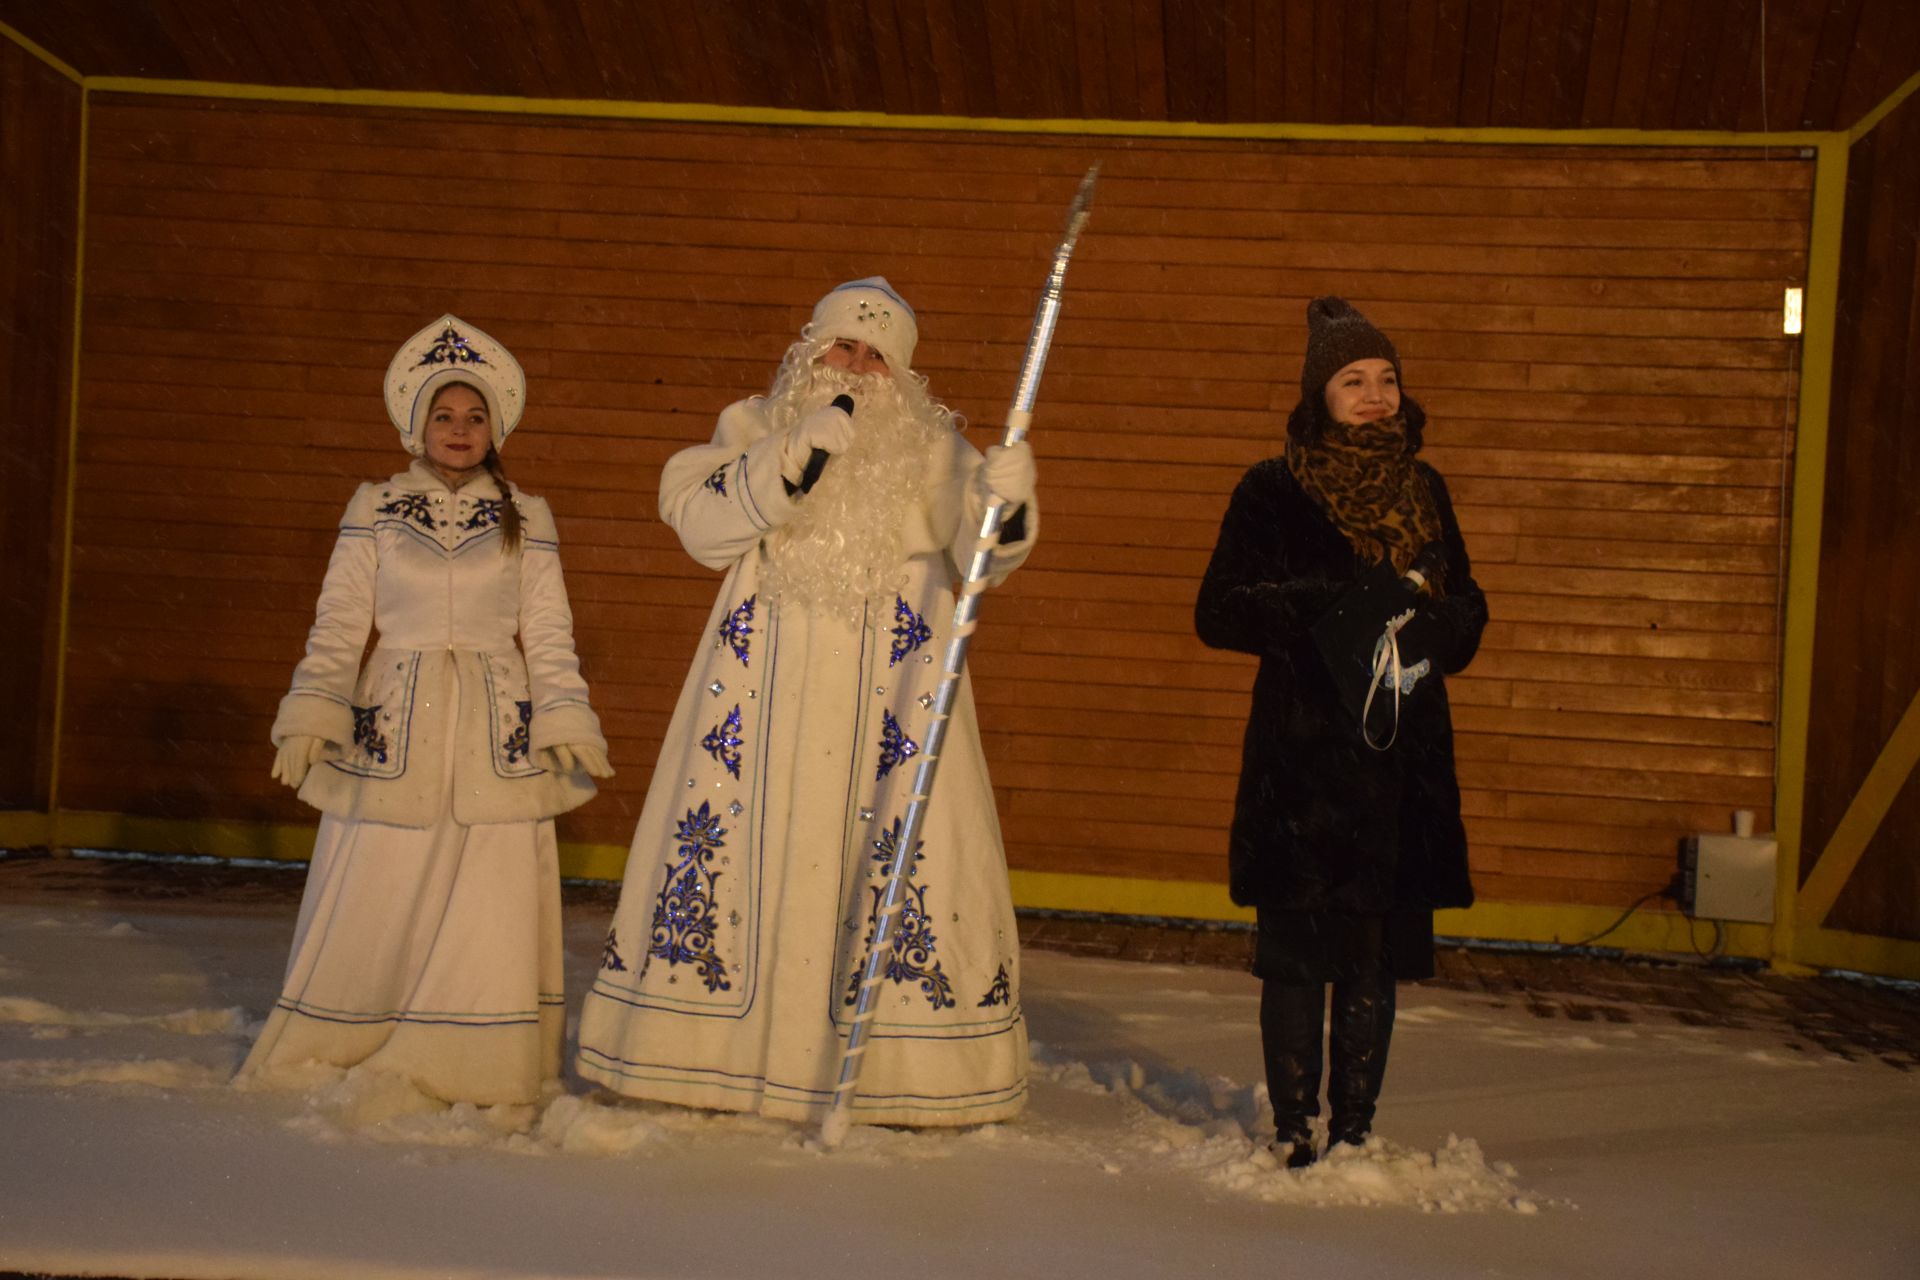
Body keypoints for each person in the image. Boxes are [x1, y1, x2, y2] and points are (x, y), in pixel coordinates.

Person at [575, 277, 1036, 1127]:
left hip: (892, 699)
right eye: (842, 347)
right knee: (739, 849)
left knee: (893, 851)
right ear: (810, 349)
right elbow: (700, 527)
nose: (856, 366)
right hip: (761, 700)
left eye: (877, 356)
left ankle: (907, 1073)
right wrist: (787, 459)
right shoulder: (752, 426)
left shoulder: (933, 451)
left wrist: (1005, 502)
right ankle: (709, 1059)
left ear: (902, 377)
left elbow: (980, 562)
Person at [240, 314, 613, 1106]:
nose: (459, 429)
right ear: (417, 424)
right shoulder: (375, 507)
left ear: (494, 428)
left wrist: (566, 717)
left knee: (489, 890)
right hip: (394, 724)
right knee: (380, 879)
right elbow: (341, 620)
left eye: (475, 416)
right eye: (444, 415)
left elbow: (548, 633)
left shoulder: (528, 516)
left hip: (493, 728)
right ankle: (350, 1027)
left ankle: (476, 1056)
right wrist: (313, 708)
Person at [1194, 297, 1487, 1168]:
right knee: (1296, 952)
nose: (1374, 395)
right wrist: (1339, 608)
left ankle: (1355, 1130)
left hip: (1401, 755)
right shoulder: (1272, 488)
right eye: (1353, 380)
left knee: (1371, 953)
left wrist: (1441, 628)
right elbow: (1219, 612)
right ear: (1319, 395)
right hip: (1304, 761)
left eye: (1386, 378)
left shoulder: (1423, 487)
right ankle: (1293, 1129)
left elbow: (1467, 604)